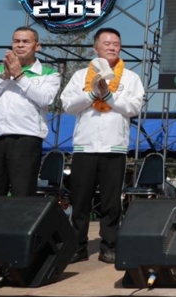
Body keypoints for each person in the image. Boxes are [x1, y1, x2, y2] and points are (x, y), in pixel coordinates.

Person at [61, 28, 145, 264]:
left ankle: (109, 245)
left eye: (116, 43)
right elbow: (67, 104)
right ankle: (77, 245)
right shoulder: (80, 76)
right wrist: (91, 95)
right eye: (106, 43)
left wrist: (108, 96)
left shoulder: (130, 78)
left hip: (113, 148)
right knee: (80, 200)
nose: (111, 47)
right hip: (85, 147)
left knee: (110, 201)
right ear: (95, 47)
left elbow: (133, 108)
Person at [0, 26, 60, 197]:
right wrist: (5, 76)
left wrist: (19, 76)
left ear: (37, 46)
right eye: (16, 41)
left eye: (26, 41)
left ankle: (19, 225)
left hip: (26, 138)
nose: (20, 45)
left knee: (22, 193)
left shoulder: (49, 74)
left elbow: (45, 99)